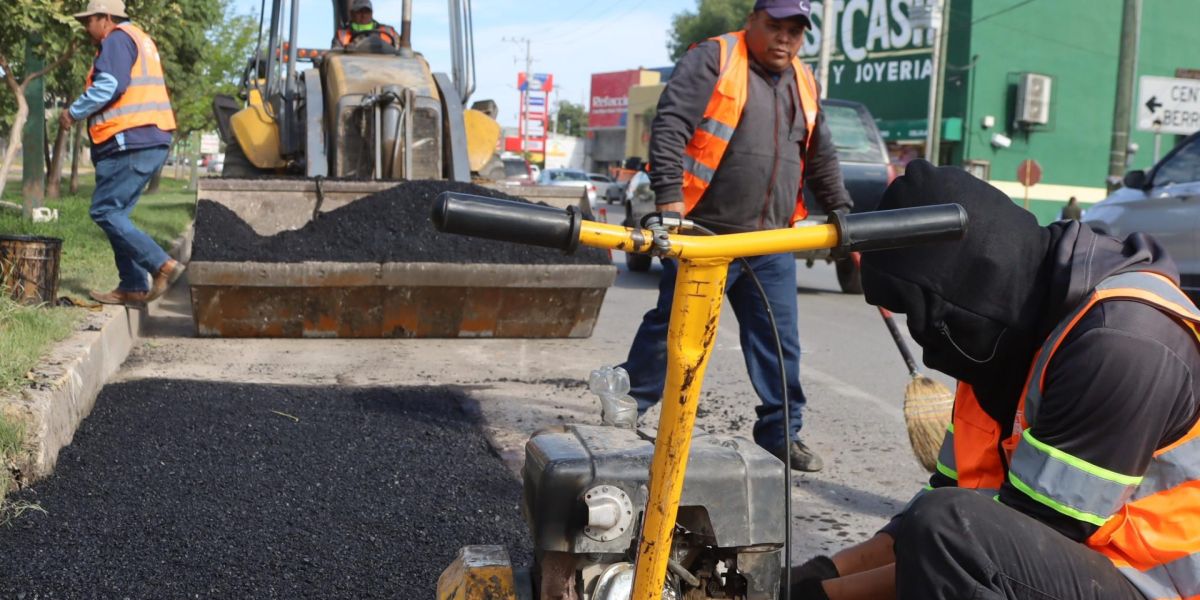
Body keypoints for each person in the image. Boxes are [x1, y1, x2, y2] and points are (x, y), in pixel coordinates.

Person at [788, 159, 1200, 600]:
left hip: (1165, 588)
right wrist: (818, 573)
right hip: (1095, 575)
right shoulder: (1002, 341)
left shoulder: (1121, 342)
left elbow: (990, 548)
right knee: (943, 521)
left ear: (955, 293)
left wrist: (825, 598)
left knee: (948, 532)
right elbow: (947, 509)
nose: (922, 338)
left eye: (916, 313)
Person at [619, 0, 853, 472]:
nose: (784, 38)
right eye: (775, 26)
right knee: (672, 329)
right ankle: (625, 412)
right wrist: (668, 200)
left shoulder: (805, 81)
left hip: (770, 243)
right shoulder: (716, 58)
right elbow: (670, 127)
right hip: (706, 236)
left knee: (779, 343)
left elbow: (820, 155)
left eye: (795, 30)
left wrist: (845, 214)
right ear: (752, 21)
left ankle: (781, 435)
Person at [60, 0, 184, 306]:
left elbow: (110, 85)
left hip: (131, 139)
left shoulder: (116, 39)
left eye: (89, 21)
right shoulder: (140, 38)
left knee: (105, 211)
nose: (86, 27)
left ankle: (162, 265)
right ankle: (132, 285)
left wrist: (73, 112)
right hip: (148, 137)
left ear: (105, 18)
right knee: (117, 215)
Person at [333, 0, 399, 50]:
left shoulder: (389, 31)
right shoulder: (341, 35)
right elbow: (336, 56)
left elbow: (402, 52)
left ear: (371, 13)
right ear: (352, 14)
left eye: (366, 11)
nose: (363, 15)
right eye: (359, 11)